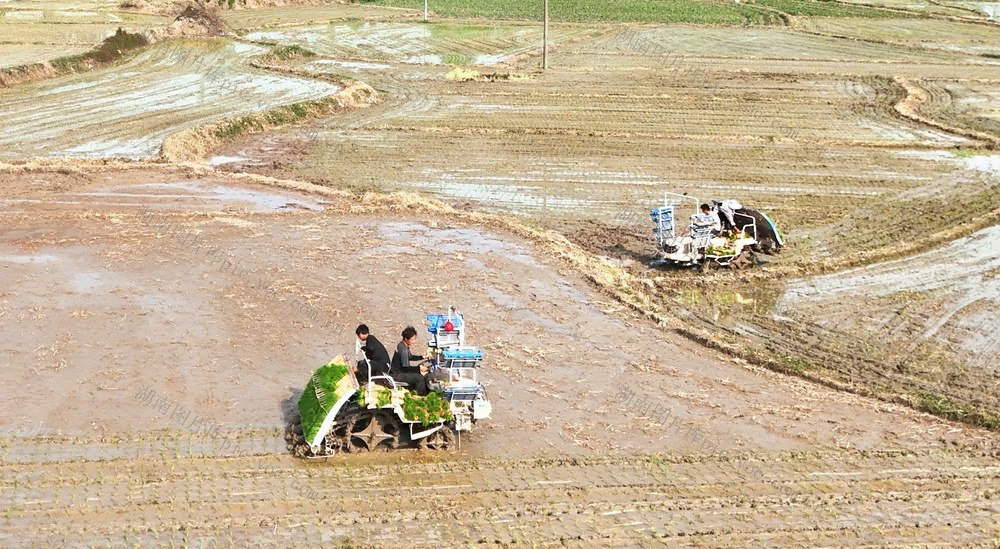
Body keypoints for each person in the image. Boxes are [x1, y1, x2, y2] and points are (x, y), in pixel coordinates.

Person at [390, 326, 430, 395]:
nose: (414, 341)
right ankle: (422, 396)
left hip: (398, 371)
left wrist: (423, 357)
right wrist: (419, 368)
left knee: (418, 374)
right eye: (412, 339)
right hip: (397, 374)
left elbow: (410, 357)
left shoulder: (402, 345)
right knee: (419, 378)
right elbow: (405, 368)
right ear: (406, 339)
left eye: (414, 339)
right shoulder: (404, 350)